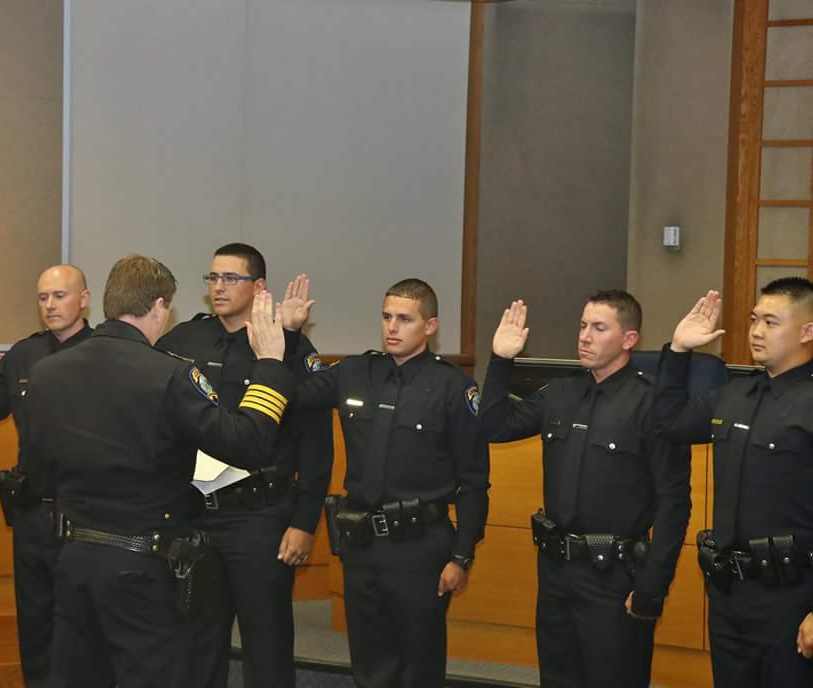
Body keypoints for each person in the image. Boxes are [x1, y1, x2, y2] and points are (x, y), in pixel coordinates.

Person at [26, 254, 294, 688]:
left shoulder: (45, 374)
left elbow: (38, 471)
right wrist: (270, 365)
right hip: (141, 565)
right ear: (159, 307)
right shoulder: (169, 375)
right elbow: (247, 444)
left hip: (73, 558)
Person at [481, 290, 691, 688]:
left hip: (615, 578)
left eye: (599, 328)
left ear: (629, 339)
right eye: (582, 326)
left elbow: (674, 503)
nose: (585, 337)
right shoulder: (561, 392)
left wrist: (652, 586)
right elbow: (493, 426)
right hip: (557, 571)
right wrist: (501, 359)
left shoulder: (650, 404)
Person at [292, 278, 489, 688]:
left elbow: (473, 479)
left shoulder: (454, 386)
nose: (392, 328)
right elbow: (296, 393)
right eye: (386, 317)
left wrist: (462, 556)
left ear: (430, 326)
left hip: (420, 546)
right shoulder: (354, 371)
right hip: (362, 542)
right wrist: (291, 335)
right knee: (369, 661)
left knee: (419, 663)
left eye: (404, 319)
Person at [156, 243, 333, 688]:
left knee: (267, 646)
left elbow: (315, 440)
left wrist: (305, 521)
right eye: (212, 278)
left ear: (258, 288)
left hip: (260, 517)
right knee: (198, 642)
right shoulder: (183, 342)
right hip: (194, 513)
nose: (218, 287)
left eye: (230, 278)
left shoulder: (286, 345)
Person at [653, 280, 813, 687]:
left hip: (792, 598)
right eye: (754, 320)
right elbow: (667, 423)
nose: (756, 331)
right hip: (729, 595)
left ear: (807, 332)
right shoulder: (733, 396)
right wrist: (678, 351)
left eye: (771, 322)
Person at [0, 264, 93, 687]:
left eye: (60, 296)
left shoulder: (103, 352)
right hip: (33, 515)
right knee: (35, 628)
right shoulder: (24, 354)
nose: (50, 305)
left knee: (86, 630)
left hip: (88, 517)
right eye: (43, 298)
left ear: (84, 299)